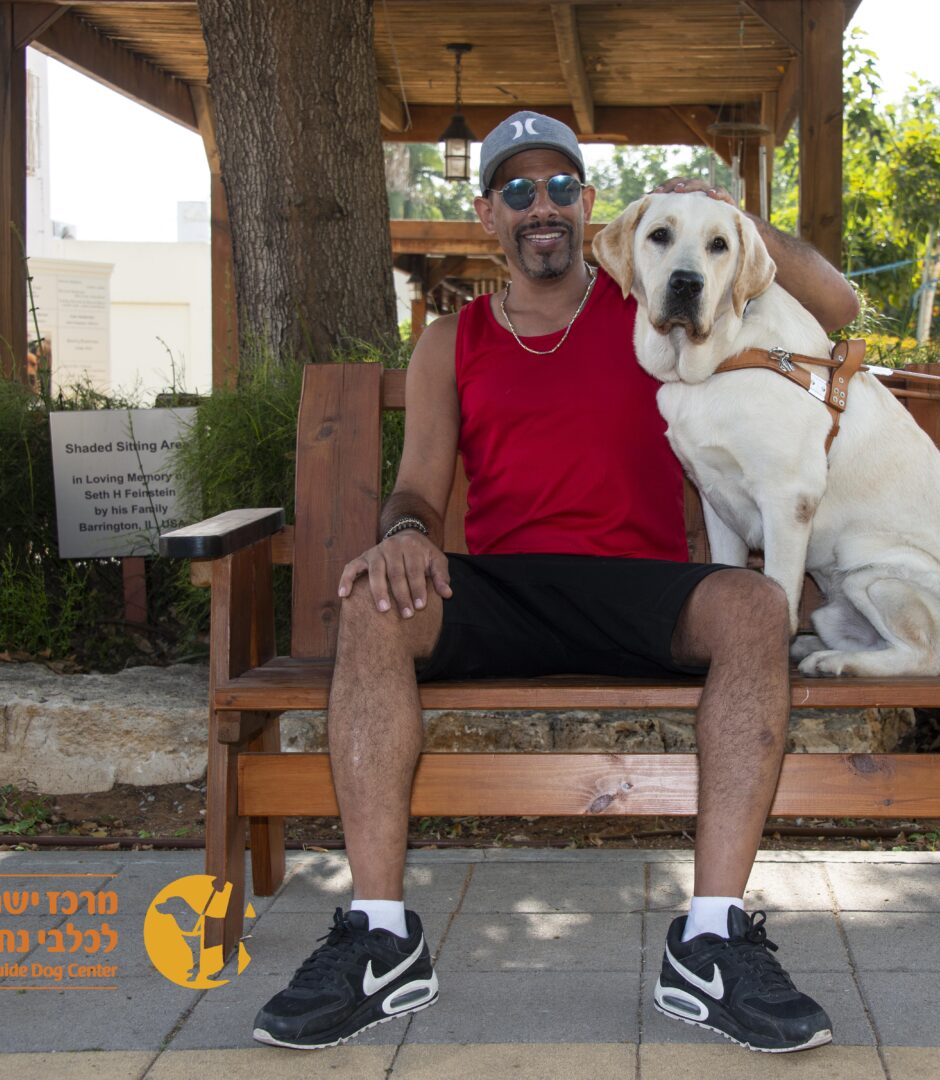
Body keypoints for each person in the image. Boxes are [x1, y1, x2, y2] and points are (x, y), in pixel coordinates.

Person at [252, 111, 860, 1054]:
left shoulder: (657, 301)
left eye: (563, 188)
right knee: (373, 599)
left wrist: (730, 213)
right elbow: (416, 486)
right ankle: (378, 938)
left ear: (589, 207)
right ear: (489, 215)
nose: (544, 207)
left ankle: (710, 943)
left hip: (642, 591)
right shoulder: (452, 341)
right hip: (507, 589)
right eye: (519, 191)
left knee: (755, 606)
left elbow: (837, 308)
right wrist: (407, 535)